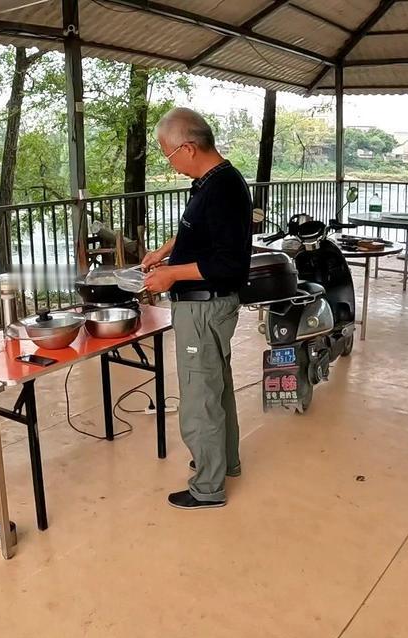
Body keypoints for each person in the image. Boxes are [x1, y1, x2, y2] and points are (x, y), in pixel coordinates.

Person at [142, 108, 252, 510]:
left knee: (199, 396)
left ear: (188, 147)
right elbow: (200, 231)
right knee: (215, 387)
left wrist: (172, 275)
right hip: (207, 306)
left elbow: (230, 263)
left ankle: (207, 487)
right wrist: (165, 251)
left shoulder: (221, 188)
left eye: (168, 155)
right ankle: (226, 462)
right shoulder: (212, 182)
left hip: (204, 307)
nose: (169, 164)